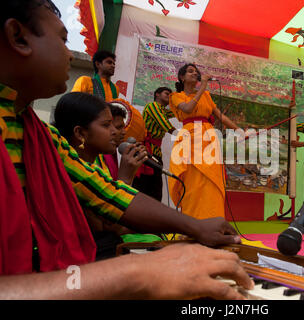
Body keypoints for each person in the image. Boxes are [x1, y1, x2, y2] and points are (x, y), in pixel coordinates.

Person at [0, 0, 252, 299]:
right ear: (18, 37)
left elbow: (106, 193)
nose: (69, 53)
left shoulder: (39, 133)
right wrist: (136, 272)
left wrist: (195, 226)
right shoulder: (170, 99)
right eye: (62, 40)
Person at [53, 92, 149, 259]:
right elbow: (106, 227)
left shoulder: (101, 161)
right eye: (107, 126)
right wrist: (126, 178)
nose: (117, 132)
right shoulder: (73, 170)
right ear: (80, 133)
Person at [168, 63, 243, 219]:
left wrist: (238, 130)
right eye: (190, 72)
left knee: (210, 181)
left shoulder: (206, 96)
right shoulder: (175, 96)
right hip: (189, 137)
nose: (194, 74)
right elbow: (188, 109)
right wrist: (202, 86)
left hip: (209, 138)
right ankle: (191, 221)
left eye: (196, 72)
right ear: (182, 77)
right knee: (192, 181)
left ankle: (213, 220)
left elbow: (220, 116)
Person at [133, 86, 175, 201]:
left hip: (154, 153)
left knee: (154, 189)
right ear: (157, 94)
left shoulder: (164, 111)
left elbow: (179, 112)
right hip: (145, 151)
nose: (169, 97)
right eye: (167, 93)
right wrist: (185, 136)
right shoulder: (152, 106)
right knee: (145, 187)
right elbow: (165, 125)